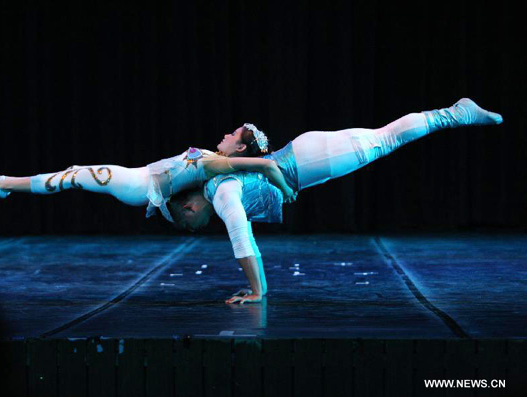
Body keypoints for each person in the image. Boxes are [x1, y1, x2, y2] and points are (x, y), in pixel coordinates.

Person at [165, 98, 504, 304]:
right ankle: (455, 113)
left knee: (386, 139)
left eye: (184, 224)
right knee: (384, 137)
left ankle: (456, 114)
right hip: (306, 158)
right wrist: (260, 289)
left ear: (188, 207)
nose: (190, 229)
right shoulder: (218, 180)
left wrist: (258, 291)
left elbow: (242, 237)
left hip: (307, 160)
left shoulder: (219, 191)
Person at [0, 124, 297, 222]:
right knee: (71, 173)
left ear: (240, 148)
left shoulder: (221, 163)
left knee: (68, 178)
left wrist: (286, 189)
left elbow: (268, 164)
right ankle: (5, 185)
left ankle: (1, 183)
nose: (226, 134)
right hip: (135, 180)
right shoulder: (215, 160)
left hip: (133, 183)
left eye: (233, 135)